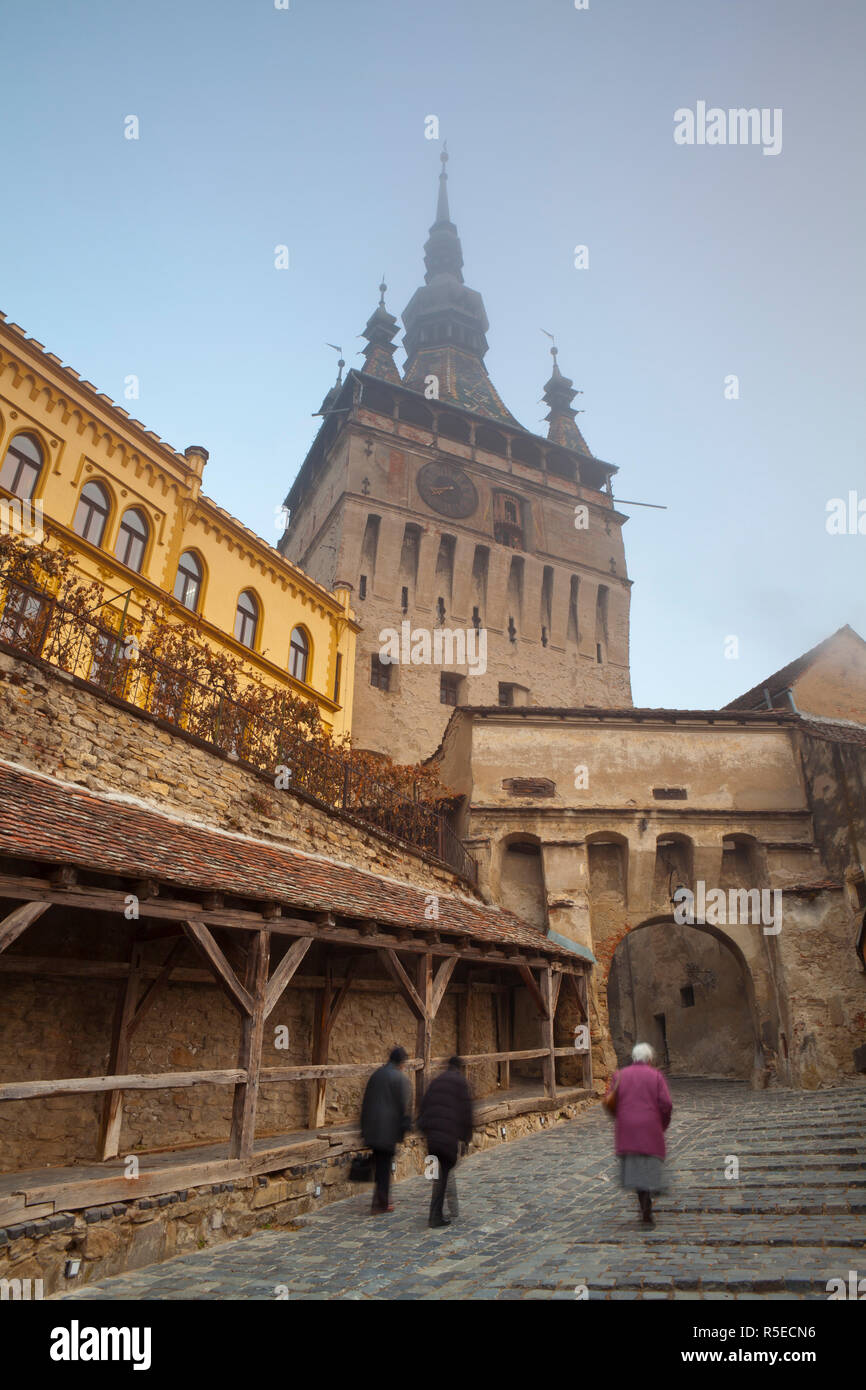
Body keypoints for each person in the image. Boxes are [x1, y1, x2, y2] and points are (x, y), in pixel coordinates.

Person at [606, 1041, 673, 1227]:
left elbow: (611, 1102)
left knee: (636, 1168)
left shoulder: (619, 1076)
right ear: (649, 1059)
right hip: (650, 1128)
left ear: (633, 1058)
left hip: (628, 1129)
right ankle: (649, 1201)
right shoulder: (656, 1076)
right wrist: (663, 1124)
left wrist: (620, 1119)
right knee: (650, 1163)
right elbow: (666, 1104)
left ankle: (645, 1205)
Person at [417, 1055, 474, 1229]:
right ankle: (436, 1216)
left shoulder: (436, 1082)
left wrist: (424, 1129)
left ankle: (443, 1211)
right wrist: (466, 1138)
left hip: (433, 1135)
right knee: (444, 1175)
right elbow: (466, 1112)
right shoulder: (461, 1083)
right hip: (448, 1136)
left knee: (437, 1175)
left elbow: (424, 1106)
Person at [360, 1045, 412, 1214]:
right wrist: (403, 1129)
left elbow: (366, 1101)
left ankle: (380, 1199)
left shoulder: (376, 1075)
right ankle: (381, 1203)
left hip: (372, 1128)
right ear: (401, 1062)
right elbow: (403, 1107)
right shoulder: (400, 1079)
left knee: (381, 1165)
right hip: (387, 1130)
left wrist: (364, 1127)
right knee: (383, 1166)